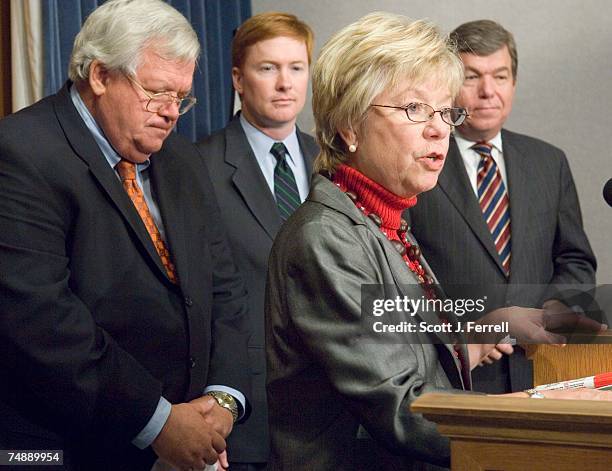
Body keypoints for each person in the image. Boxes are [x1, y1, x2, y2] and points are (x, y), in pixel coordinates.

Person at [264, 12, 611, 471]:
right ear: (349, 125)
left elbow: (405, 348)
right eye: (414, 109)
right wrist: (545, 420)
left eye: (444, 112)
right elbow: (403, 404)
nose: (438, 130)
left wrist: (498, 322)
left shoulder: (384, 221)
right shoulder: (325, 239)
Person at [0, 1, 251, 470]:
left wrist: (223, 399)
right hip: (61, 449)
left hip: (189, 441)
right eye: (157, 93)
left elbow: (223, 290)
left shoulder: (181, 160)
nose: (172, 113)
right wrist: (158, 422)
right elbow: (41, 321)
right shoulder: (20, 153)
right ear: (100, 76)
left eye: (182, 97)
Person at [407, 19, 597, 393]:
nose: (487, 91)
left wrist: (549, 312)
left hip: (541, 368)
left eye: (501, 76)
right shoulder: (419, 162)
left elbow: (576, 260)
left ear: (514, 82)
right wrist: (468, 335)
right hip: (457, 374)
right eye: (472, 77)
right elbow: (402, 275)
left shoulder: (548, 161)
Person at [196, 11, 318, 470]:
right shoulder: (196, 167)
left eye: (296, 67)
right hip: (245, 414)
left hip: (334, 412)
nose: (284, 83)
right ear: (237, 79)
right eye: (268, 68)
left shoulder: (331, 164)